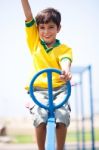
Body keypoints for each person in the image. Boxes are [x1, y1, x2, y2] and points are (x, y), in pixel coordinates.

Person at [21, 0, 73, 150]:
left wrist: (65, 71)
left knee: (62, 117)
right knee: (40, 117)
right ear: (37, 29)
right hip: (38, 89)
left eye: (51, 27)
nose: (46, 31)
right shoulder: (35, 43)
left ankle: (60, 148)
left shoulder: (64, 48)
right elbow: (28, 16)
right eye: (42, 28)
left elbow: (65, 61)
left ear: (58, 28)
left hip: (60, 89)